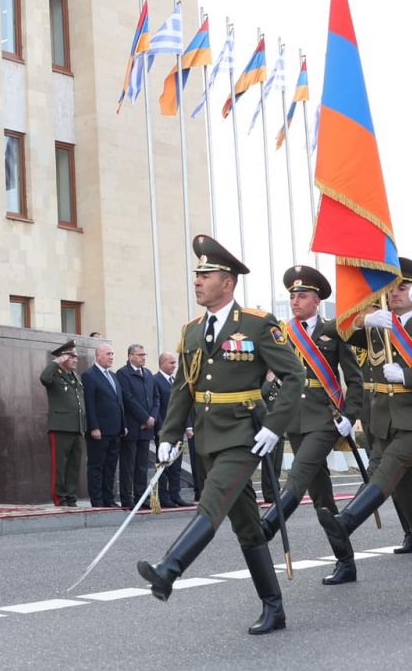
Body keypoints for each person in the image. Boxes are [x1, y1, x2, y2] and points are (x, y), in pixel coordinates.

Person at [138, 235, 304, 636]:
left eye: (206, 274)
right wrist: (169, 435)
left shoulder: (257, 323)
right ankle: (274, 608)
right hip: (207, 437)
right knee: (247, 526)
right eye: (197, 274)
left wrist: (273, 427)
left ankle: (169, 569)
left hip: (244, 435)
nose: (197, 280)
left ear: (227, 282)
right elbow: (184, 387)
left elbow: (294, 376)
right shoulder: (192, 331)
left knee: (211, 502)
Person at [316, 258, 412, 599]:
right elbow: (331, 330)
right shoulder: (378, 327)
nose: (394, 294)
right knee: (411, 503)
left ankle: (347, 521)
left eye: (402, 288)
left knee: (387, 470)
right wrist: (364, 318)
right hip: (384, 421)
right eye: (391, 288)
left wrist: (408, 375)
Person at [259, 265, 365, 585]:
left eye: (302, 296)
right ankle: (346, 561)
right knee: (321, 497)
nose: (295, 301)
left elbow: (354, 379)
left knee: (299, 471)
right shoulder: (283, 333)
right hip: (295, 418)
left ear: (316, 300)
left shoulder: (334, 331)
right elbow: (270, 375)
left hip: (325, 418)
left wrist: (350, 415)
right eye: (292, 296)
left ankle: (268, 525)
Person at [40, 341, 85, 506]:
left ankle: (71, 497)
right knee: (59, 466)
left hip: (77, 427)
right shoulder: (54, 374)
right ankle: (59, 497)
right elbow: (44, 378)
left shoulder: (75, 376)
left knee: (74, 466)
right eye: (72, 356)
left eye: (76, 357)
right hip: (60, 427)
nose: (76, 360)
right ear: (63, 357)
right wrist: (55, 362)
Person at [82, 342, 124, 507]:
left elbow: (119, 402)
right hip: (99, 431)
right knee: (96, 466)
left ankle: (109, 499)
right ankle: (97, 500)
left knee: (110, 467)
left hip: (115, 430)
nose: (111, 357)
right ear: (98, 355)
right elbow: (89, 403)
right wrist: (94, 427)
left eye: (112, 354)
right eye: (108, 354)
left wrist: (123, 424)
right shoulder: (89, 375)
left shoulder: (113, 376)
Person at [117, 345, 159, 508]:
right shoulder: (123, 373)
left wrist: (152, 417)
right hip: (132, 426)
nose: (143, 357)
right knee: (128, 465)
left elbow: (156, 398)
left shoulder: (147, 373)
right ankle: (127, 498)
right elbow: (128, 399)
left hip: (147, 427)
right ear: (130, 356)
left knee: (142, 466)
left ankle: (141, 498)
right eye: (140, 354)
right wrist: (144, 417)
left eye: (144, 354)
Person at [153, 352, 183, 507]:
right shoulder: (155, 380)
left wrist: (187, 426)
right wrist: (160, 428)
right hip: (163, 430)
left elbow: (182, 404)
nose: (174, 366)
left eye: (175, 363)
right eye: (171, 363)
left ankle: (175, 495)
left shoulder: (176, 381)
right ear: (162, 363)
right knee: (163, 464)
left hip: (177, 429)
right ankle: (164, 496)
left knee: (176, 465)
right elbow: (156, 406)